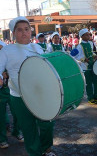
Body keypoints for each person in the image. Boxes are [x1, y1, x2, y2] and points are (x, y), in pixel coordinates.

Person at [0, 16, 55, 156]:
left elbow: (46, 67)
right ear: (13, 33)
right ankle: (35, 153)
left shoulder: (37, 47)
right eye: (19, 30)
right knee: (28, 128)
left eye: (27, 29)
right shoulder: (6, 51)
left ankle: (45, 148)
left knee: (47, 123)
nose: (24, 33)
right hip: (19, 97)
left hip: (40, 93)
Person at [0, 41, 23, 149]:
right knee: (1, 116)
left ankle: (16, 131)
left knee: (17, 112)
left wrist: (8, 74)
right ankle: (2, 139)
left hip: (12, 89)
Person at [75, 28, 97, 104]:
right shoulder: (79, 46)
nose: (88, 36)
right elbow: (77, 57)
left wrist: (94, 56)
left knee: (96, 81)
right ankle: (90, 98)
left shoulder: (90, 43)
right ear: (82, 36)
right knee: (89, 83)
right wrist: (84, 59)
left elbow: (91, 52)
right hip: (85, 67)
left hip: (93, 64)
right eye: (86, 35)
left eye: (89, 34)